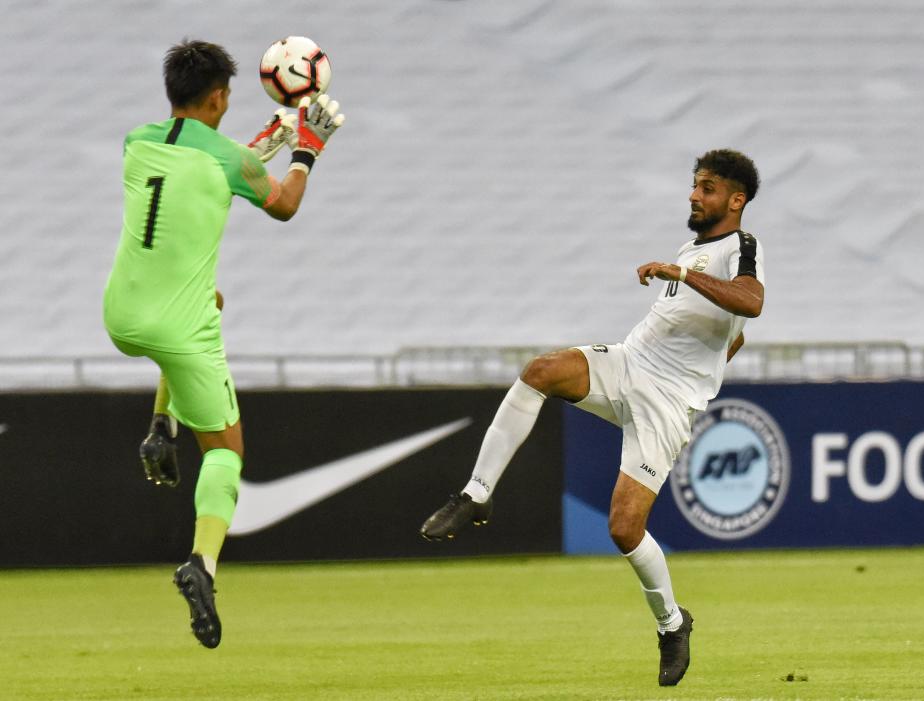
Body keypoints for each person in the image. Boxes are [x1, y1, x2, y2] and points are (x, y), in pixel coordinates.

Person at [421, 149, 764, 687]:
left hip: (668, 403)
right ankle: (476, 494)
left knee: (625, 528)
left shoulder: (741, 247)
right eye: (695, 186)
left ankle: (672, 625)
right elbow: (730, 336)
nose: (695, 195)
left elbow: (750, 302)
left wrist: (693, 366)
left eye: (707, 188)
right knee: (541, 370)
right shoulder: (693, 250)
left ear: (736, 199)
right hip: (630, 363)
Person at [103, 39, 344, 648]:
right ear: (218, 97)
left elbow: (219, 157)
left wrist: (271, 134)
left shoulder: (138, 139)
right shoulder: (231, 164)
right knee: (228, 451)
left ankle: (162, 425)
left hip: (120, 313)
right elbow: (283, 203)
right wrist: (308, 149)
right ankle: (201, 565)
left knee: (209, 299)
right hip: (175, 332)